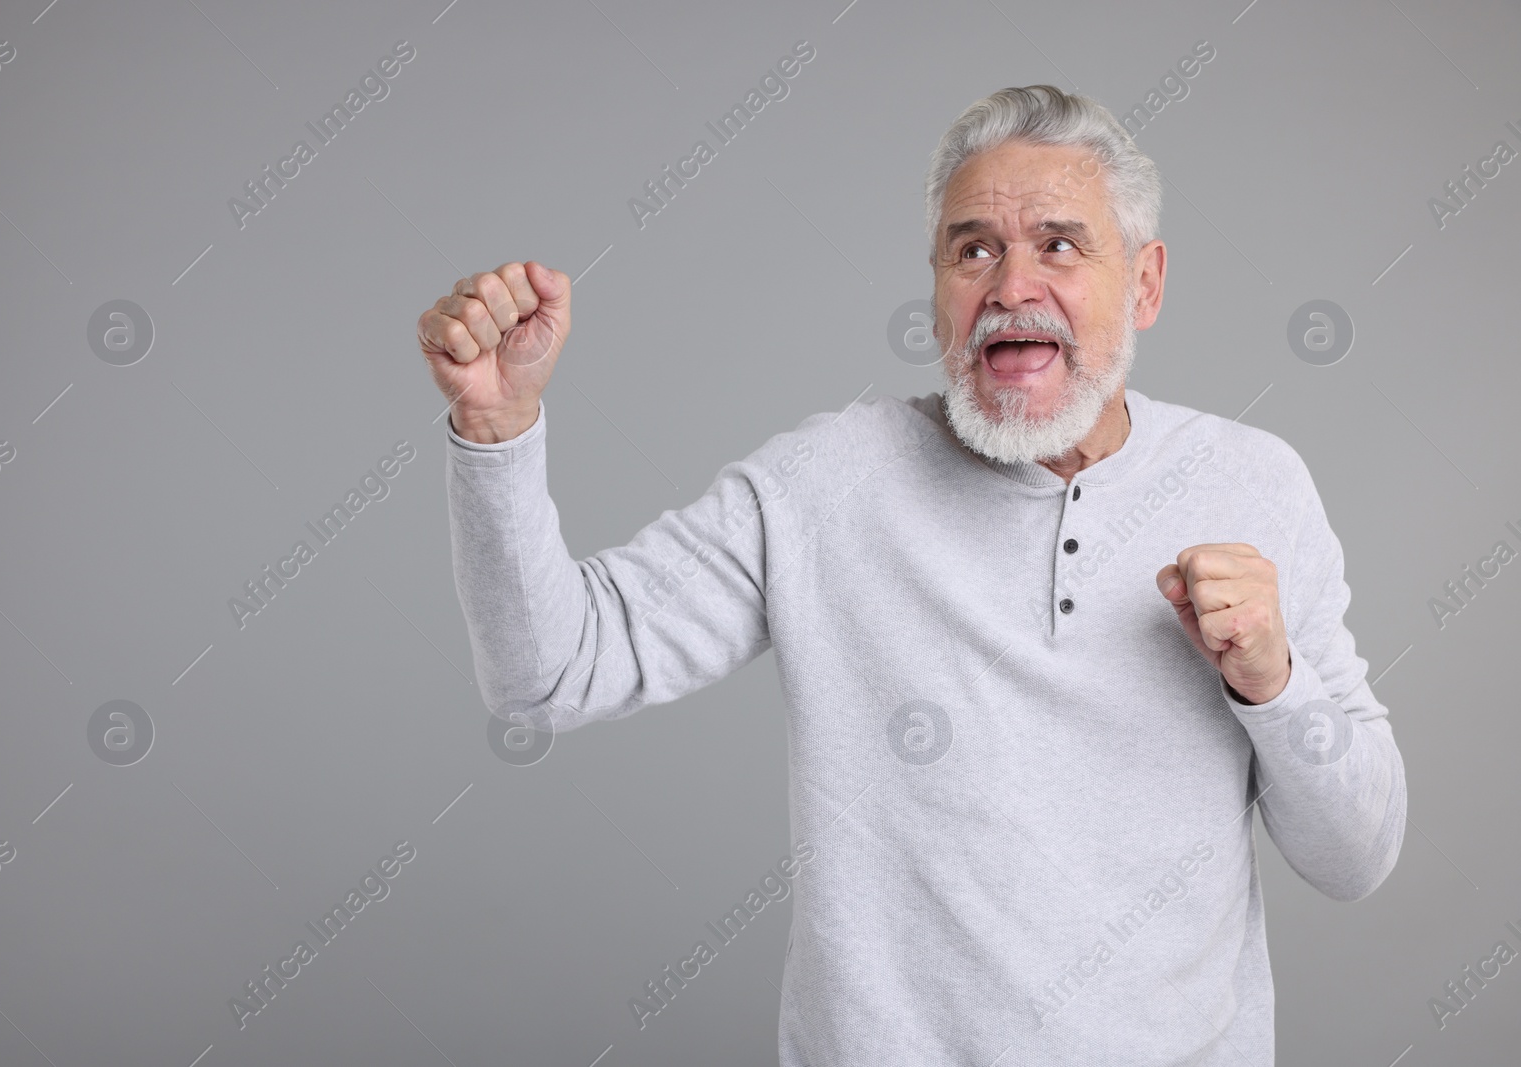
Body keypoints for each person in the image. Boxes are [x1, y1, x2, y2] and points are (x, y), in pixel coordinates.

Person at [417, 84, 1406, 1066]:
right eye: (974, 247)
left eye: (1058, 244)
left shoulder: (1254, 483)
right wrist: (496, 433)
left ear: (1143, 282)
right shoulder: (828, 483)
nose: (1011, 287)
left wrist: (1273, 683)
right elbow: (548, 670)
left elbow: (1356, 855)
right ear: (936, 279)